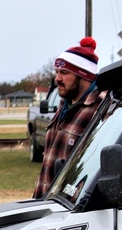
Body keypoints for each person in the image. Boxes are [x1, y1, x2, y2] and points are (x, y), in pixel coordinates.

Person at [32, 37, 106, 198]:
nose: (57, 78)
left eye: (64, 73)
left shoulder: (101, 108)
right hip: (46, 202)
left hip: (71, 209)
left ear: (83, 75)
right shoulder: (64, 104)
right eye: (57, 72)